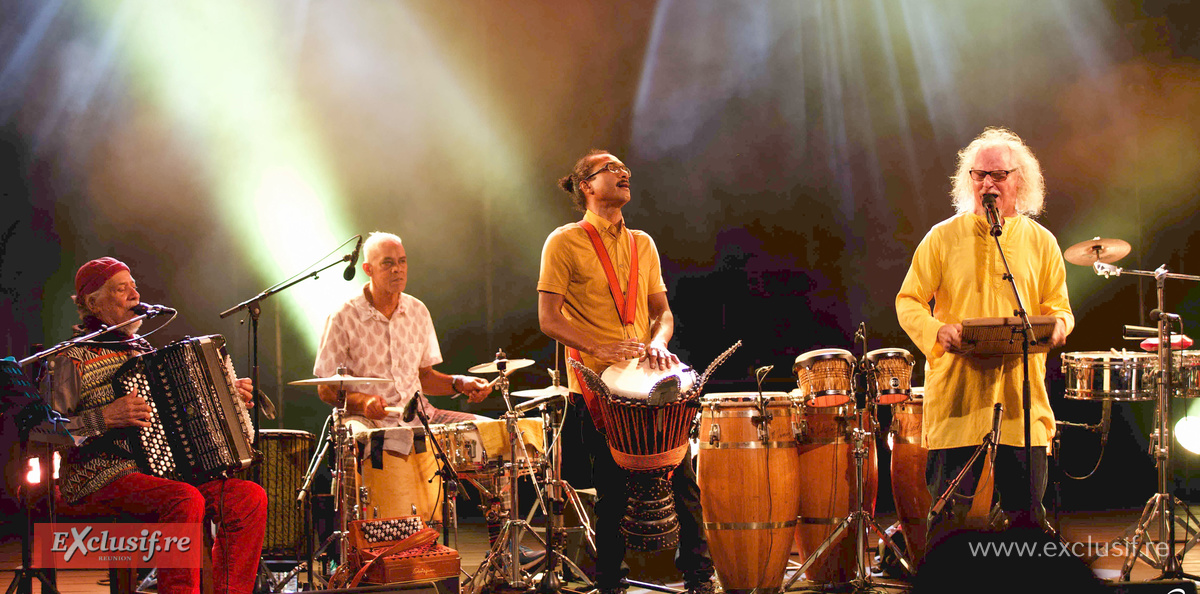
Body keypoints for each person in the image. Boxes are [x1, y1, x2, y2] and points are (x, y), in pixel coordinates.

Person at [538, 150, 717, 594]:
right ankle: (611, 584)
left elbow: (663, 314)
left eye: (626, 170)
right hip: (597, 384)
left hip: (646, 381)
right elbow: (549, 318)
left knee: (683, 481)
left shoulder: (643, 243)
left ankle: (700, 577)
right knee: (612, 492)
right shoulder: (563, 241)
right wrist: (600, 347)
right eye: (612, 169)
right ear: (586, 185)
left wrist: (657, 345)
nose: (624, 174)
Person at [895, 127, 1074, 546]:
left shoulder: (1041, 242)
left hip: (1020, 402)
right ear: (969, 180)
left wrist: (1059, 327)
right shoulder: (941, 238)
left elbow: (1058, 307)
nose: (987, 184)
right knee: (951, 516)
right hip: (959, 397)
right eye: (979, 176)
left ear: (1019, 181)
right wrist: (938, 331)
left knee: (1026, 518)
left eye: (998, 175)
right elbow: (909, 301)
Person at [49, 257, 267, 594]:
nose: (135, 295)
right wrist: (104, 418)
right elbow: (43, 433)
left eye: (134, 286)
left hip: (161, 473)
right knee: (183, 500)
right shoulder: (70, 358)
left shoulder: (144, 350)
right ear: (93, 302)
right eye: (122, 289)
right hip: (97, 474)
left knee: (247, 497)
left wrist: (224, 394)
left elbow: (178, 414)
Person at [313, 231, 493, 433]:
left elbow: (424, 377)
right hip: (365, 421)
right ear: (368, 269)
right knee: (358, 438)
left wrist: (460, 383)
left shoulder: (418, 311)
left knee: (491, 430)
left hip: (420, 417)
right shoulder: (343, 316)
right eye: (387, 263)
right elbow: (326, 389)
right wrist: (362, 402)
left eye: (402, 262)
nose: (397, 269)